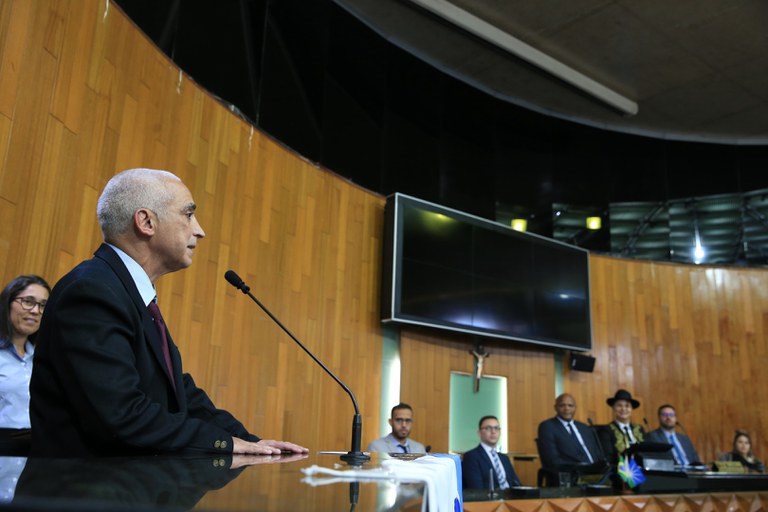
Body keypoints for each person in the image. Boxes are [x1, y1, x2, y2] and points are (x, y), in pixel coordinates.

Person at [29, 168, 308, 457]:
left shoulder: (126, 291)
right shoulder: (92, 292)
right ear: (146, 222)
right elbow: (121, 414)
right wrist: (223, 444)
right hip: (82, 483)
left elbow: (178, 392)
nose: (200, 230)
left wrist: (248, 440)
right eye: (188, 214)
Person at [0, 275, 50, 456]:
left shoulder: (42, 359)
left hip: (30, 462)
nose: (36, 311)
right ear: (8, 302)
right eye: (28, 301)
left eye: (43, 305)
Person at [537, 393, 605, 472]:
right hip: (573, 474)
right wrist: (583, 468)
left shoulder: (584, 428)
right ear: (555, 408)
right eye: (562, 405)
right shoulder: (548, 427)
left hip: (598, 473)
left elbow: (598, 455)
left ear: (575, 408)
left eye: (570, 405)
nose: (566, 408)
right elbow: (552, 460)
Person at [462, 415, 521, 490]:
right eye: (488, 428)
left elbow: (517, 484)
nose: (493, 432)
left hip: (511, 496)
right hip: (489, 497)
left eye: (496, 428)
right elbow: (476, 489)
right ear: (479, 433)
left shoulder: (504, 458)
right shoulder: (471, 457)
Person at [596, 389, 645, 464]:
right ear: (613, 408)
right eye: (619, 405)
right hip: (619, 467)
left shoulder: (639, 429)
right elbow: (608, 456)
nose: (623, 409)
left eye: (627, 406)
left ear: (631, 409)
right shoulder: (606, 430)